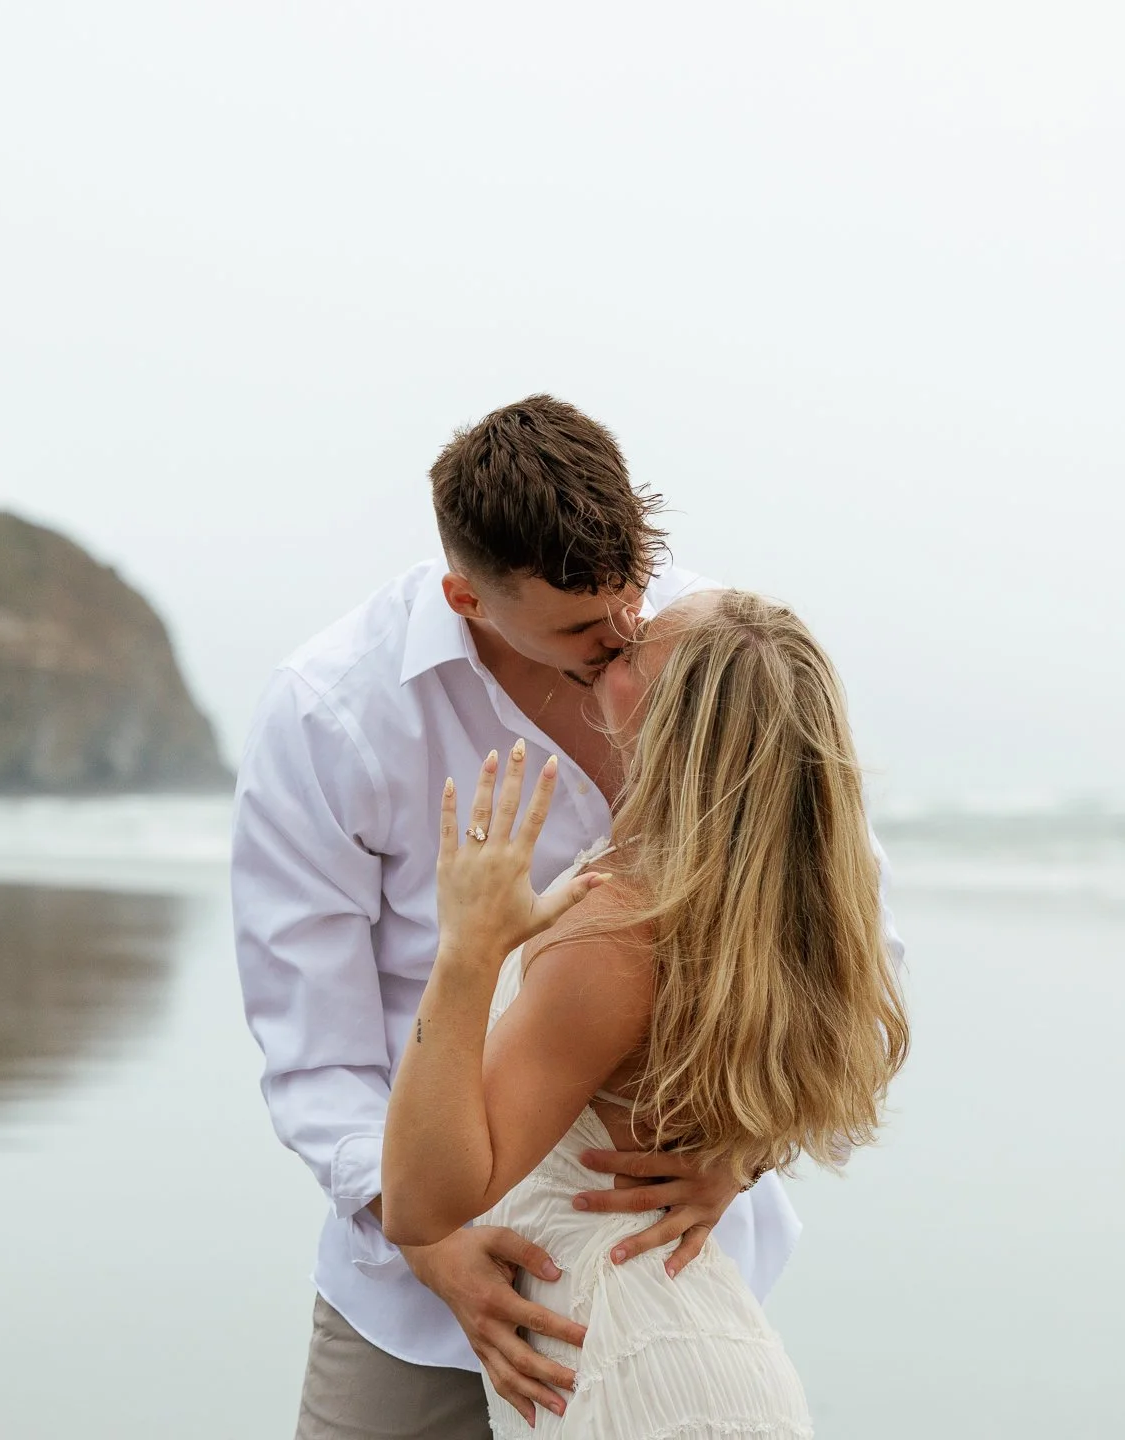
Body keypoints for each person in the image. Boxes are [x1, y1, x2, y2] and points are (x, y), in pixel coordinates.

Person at [232, 396, 902, 1437]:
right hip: (415, 1286)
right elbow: (313, 1047)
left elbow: (839, 937)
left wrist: (747, 1153)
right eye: (586, 633)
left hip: (657, 1269)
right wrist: (427, 1242)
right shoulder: (335, 713)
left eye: (635, 598)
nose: (621, 638)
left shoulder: (708, 661)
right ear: (467, 598)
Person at [382, 590, 909, 1435]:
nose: (618, 637)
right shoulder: (740, 919)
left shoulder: (616, 936)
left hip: (630, 1370)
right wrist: (745, 1160)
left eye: (637, 648)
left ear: (673, 724)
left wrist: (466, 954)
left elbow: (417, 1203)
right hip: (679, 1352)